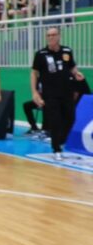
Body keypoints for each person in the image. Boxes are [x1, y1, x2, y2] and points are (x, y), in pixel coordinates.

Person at [31, 27, 85, 160]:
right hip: (50, 94)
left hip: (67, 92)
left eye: (54, 35)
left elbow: (72, 67)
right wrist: (34, 92)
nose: (51, 37)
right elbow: (34, 73)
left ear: (59, 36)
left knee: (71, 118)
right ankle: (56, 149)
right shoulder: (41, 54)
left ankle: (59, 140)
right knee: (55, 121)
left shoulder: (67, 51)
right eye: (48, 35)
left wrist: (76, 73)